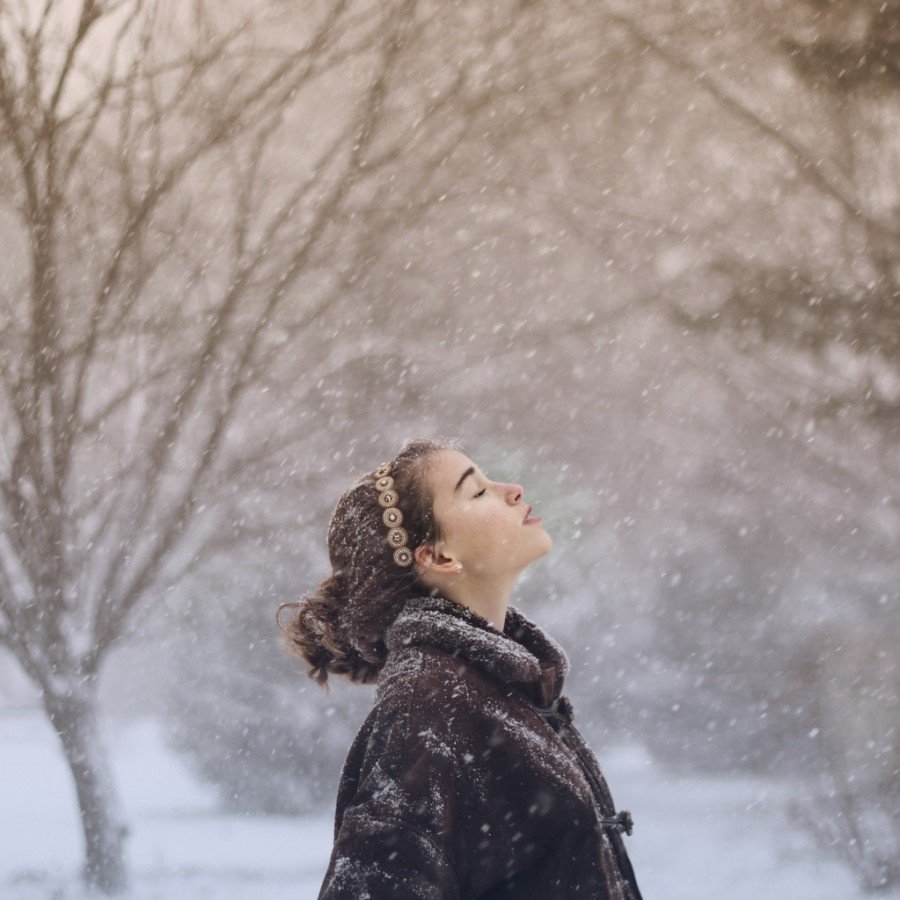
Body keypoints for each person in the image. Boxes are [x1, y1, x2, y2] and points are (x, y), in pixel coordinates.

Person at [277, 437, 643, 899]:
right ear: (438, 557)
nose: (512, 489)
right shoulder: (430, 704)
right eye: (478, 491)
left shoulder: (498, 688)